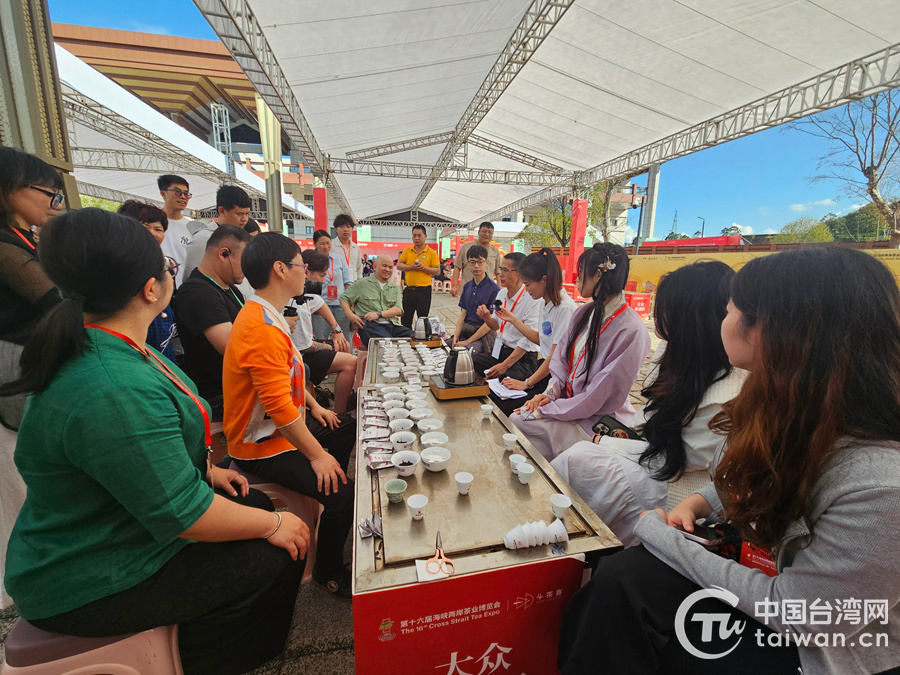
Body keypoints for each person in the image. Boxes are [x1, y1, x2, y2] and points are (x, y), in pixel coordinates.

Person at [558, 247, 900, 675]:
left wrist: (660, 534)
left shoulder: (882, 485)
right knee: (620, 579)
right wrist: (700, 504)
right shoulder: (781, 403)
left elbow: (803, 616)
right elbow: (742, 476)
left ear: (772, 330)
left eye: (731, 310)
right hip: (769, 583)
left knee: (625, 586)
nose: (723, 320)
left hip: (820, 650)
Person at [0, 209, 309, 675]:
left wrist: (206, 470)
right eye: (167, 269)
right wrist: (272, 527)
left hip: (123, 532)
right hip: (91, 575)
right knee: (273, 549)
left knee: (265, 514)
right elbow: (182, 512)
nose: (172, 276)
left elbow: (130, 455)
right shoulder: (112, 385)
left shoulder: (113, 348)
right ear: (151, 289)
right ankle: (217, 659)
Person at [551, 261, 746, 546]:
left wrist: (604, 440)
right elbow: (559, 360)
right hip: (634, 439)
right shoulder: (587, 315)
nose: (657, 314)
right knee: (569, 447)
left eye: (666, 307)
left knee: (580, 459)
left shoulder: (726, 395)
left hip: (673, 480)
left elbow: (674, 460)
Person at [223, 232, 356, 599]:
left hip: (278, 430)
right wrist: (317, 455)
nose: (308, 272)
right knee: (344, 495)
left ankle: (328, 494)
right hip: (260, 445)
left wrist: (316, 407)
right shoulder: (260, 327)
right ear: (280, 269)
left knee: (348, 427)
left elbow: (289, 380)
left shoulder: (267, 313)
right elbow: (279, 408)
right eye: (301, 264)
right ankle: (327, 571)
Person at [510, 243, 650, 460]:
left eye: (580, 272)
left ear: (597, 274)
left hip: (596, 421)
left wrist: (547, 408)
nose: (576, 278)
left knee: (529, 425)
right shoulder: (584, 312)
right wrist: (548, 395)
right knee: (518, 419)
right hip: (568, 406)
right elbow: (561, 363)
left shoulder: (631, 329)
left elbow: (596, 397)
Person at [0, 147, 64, 609]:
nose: (54, 199)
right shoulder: (5, 246)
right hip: (17, 367)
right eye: (47, 191)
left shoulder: (23, 239)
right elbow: (55, 304)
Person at [172, 225, 252, 421]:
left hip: (239, 387)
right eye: (245, 261)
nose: (249, 269)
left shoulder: (229, 288)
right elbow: (235, 349)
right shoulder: (198, 292)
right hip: (219, 396)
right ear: (224, 253)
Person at [491, 248, 577, 416]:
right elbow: (541, 339)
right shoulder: (545, 303)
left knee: (508, 408)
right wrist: (514, 320)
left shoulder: (564, 308)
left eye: (528, 284)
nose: (526, 289)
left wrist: (526, 383)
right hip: (544, 370)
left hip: (556, 378)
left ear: (544, 280)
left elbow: (555, 356)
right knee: (497, 393)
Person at [285, 249, 357, 414]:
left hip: (300, 350)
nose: (324, 281)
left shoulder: (302, 296)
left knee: (343, 345)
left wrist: (336, 329)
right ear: (306, 272)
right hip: (297, 356)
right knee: (350, 361)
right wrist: (329, 346)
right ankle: (339, 413)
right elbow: (305, 347)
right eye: (321, 276)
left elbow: (318, 302)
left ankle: (340, 403)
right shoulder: (296, 305)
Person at [117, 200, 179, 362]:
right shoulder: (119, 266)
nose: (152, 233)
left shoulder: (163, 265)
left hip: (164, 343)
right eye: (145, 227)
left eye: (158, 229)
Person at [472, 252, 542, 386]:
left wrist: (505, 365)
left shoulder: (532, 298)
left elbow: (527, 341)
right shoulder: (502, 293)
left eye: (505, 270)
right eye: (500, 269)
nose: (501, 274)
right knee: (470, 362)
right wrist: (486, 317)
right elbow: (495, 326)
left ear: (520, 273)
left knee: (502, 382)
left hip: (523, 357)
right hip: (501, 350)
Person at [339, 255, 414, 347]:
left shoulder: (394, 288)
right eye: (384, 266)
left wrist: (379, 314)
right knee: (388, 344)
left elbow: (398, 309)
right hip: (370, 326)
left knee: (418, 338)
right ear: (374, 267)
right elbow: (344, 298)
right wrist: (351, 315)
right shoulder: (362, 284)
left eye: (390, 267)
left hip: (393, 325)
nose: (387, 269)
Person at [183, 185, 251, 280]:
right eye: (239, 214)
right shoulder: (203, 239)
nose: (244, 219)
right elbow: (191, 281)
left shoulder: (242, 239)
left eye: (247, 214)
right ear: (222, 211)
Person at [451, 245, 500, 355]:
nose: (476, 266)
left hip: (484, 336)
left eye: (480, 262)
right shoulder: (467, 286)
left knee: (464, 353)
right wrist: (456, 337)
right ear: (467, 264)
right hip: (467, 331)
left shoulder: (494, 289)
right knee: (445, 346)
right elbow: (463, 315)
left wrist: (467, 342)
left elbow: (490, 323)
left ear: (487, 263)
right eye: (472, 262)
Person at [157, 174, 203, 285]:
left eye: (186, 194)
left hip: (185, 289)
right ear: (163, 194)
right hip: (159, 287)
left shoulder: (192, 227)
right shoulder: (152, 223)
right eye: (177, 192)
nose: (183, 197)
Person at [311, 229, 354, 341]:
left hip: (340, 306)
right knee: (322, 339)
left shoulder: (339, 259)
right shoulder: (311, 261)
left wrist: (348, 301)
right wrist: (313, 304)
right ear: (315, 244)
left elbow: (347, 281)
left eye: (328, 243)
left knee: (345, 339)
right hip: (320, 306)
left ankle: (347, 358)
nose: (326, 246)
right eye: (322, 243)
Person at [397, 224, 441, 328]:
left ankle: (421, 341)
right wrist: (411, 267)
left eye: (419, 235)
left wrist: (424, 268)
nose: (416, 238)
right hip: (409, 290)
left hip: (424, 291)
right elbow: (399, 265)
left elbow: (437, 271)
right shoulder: (407, 251)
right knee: (406, 319)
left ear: (425, 236)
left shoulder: (431, 253)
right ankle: (406, 339)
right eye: (414, 235)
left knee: (422, 320)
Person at [451, 222, 500, 296]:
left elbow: (498, 272)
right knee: (466, 307)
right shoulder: (466, 247)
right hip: (467, 288)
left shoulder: (495, 251)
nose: (487, 234)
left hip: (487, 290)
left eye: (490, 232)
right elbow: (457, 266)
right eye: (484, 231)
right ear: (478, 232)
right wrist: (454, 286)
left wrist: (499, 289)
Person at [333, 213, 362, 283]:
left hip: (354, 284)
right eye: (342, 227)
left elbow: (359, 268)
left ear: (352, 228)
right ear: (336, 229)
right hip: (337, 284)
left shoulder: (356, 248)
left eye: (348, 227)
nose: (345, 230)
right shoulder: (331, 246)